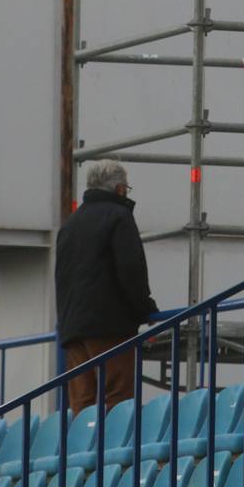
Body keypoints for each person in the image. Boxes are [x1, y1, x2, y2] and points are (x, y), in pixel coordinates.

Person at [54, 160, 158, 412]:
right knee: (118, 396)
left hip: (73, 329)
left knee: (82, 402)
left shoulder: (70, 224)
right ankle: (115, 450)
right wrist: (146, 310)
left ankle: (84, 449)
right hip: (110, 325)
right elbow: (130, 270)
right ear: (120, 189)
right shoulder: (118, 217)